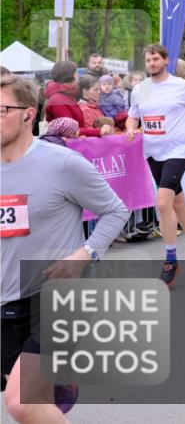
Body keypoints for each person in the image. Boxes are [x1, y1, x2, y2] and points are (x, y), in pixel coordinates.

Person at [1, 74, 129, 420]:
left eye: (2, 110)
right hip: (8, 300)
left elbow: (117, 210)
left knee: (20, 402)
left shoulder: (61, 163)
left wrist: (84, 253)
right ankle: (59, 381)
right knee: (36, 400)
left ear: (29, 114)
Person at [126, 43, 185, 287]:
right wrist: (131, 127)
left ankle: (171, 260)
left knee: (163, 203)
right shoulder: (139, 89)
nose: (152, 63)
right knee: (178, 201)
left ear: (165, 60)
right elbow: (134, 115)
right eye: (148, 60)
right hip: (153, 152)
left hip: (178, 150)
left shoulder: (181, 86)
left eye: (155, 59)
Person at [44, 61, 111, 138]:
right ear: (69, 76)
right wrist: (99, 131)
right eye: (76, 73)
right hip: (65, 145)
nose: (78, 76)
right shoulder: (58, 100)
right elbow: (70, 130)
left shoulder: (67, 95)